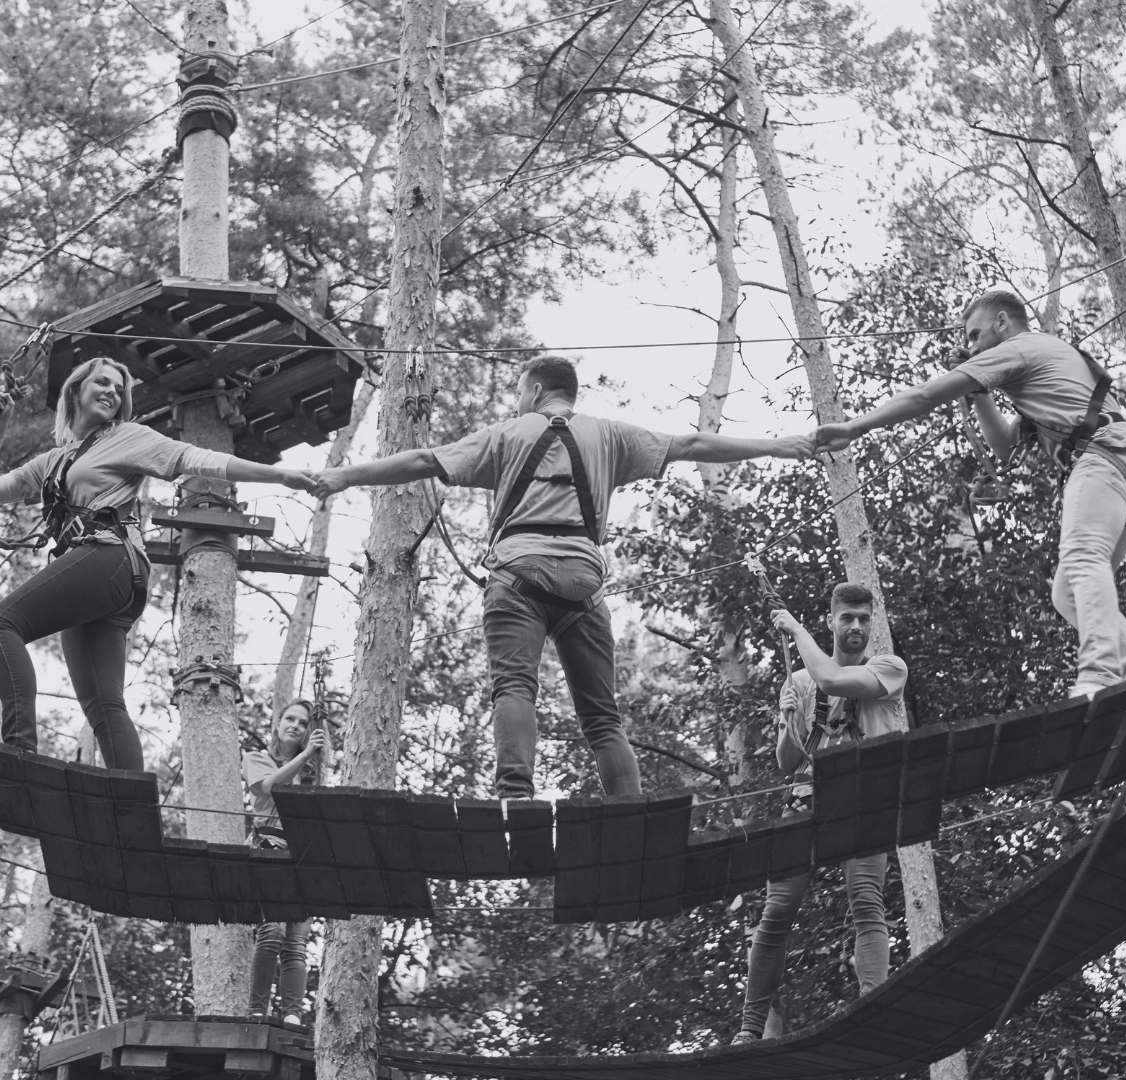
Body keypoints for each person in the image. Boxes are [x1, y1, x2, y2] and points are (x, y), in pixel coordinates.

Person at [310, 355, 814, 799]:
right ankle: (629, 810)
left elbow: (423, 461)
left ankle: (516, 798)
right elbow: (690, 443)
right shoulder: (610, 434)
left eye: (519, 393)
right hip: (583, 582)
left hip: (517, 572)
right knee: (602, 716)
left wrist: (343, 476)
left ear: (534, 390)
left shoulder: (508, 433)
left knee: (514, 687)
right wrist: (774, 445)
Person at [813, 290, 1126, 699]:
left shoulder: (1020, 347)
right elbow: (1003, 446)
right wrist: (979, 395)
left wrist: (855, 427)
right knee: (1068, 592)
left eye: (976, 335)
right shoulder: (1042, 366)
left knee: (1084, 559)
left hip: (1104, 456)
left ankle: (1100, 674)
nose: (972, 346)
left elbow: (925, 396)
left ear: (1002, 322)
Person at [0, 357, 313, 771]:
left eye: (119, 388)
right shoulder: (52, 462)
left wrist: (277, 476)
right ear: (76, 390)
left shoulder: (126, 437)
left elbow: (193, 458)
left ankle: (17, 753)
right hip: (101, 575)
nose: (113, 391)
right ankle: (132, 813)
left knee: (4, 623)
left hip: (108, 558)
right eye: (103, 382)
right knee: (103, 703)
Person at [731, 582, 905, 1044]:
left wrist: (793, 626)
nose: (856, 627)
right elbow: (787, 761)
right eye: (847, 618)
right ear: (832, 621)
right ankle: (750, 1029)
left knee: (866, 902)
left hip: (863, 801)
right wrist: (788, 718)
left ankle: (872, 1012)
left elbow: (833, 681)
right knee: (777, 911)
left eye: (864, 619)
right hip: (807, 798)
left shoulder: (889, 669)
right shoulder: (800, 681)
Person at [244, 700, 326, 1025]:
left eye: (303, 723)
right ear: (277, 724)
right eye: (289, 719)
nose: (295, 725)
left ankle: (292, 1015)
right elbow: (269, 786)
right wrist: (306, 755)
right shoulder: (256, 758)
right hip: (268, 852)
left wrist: (311, 758)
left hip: (302, 860)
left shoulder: (310, 774)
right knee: (273, 932)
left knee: (296, 943)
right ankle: (256, 1011)